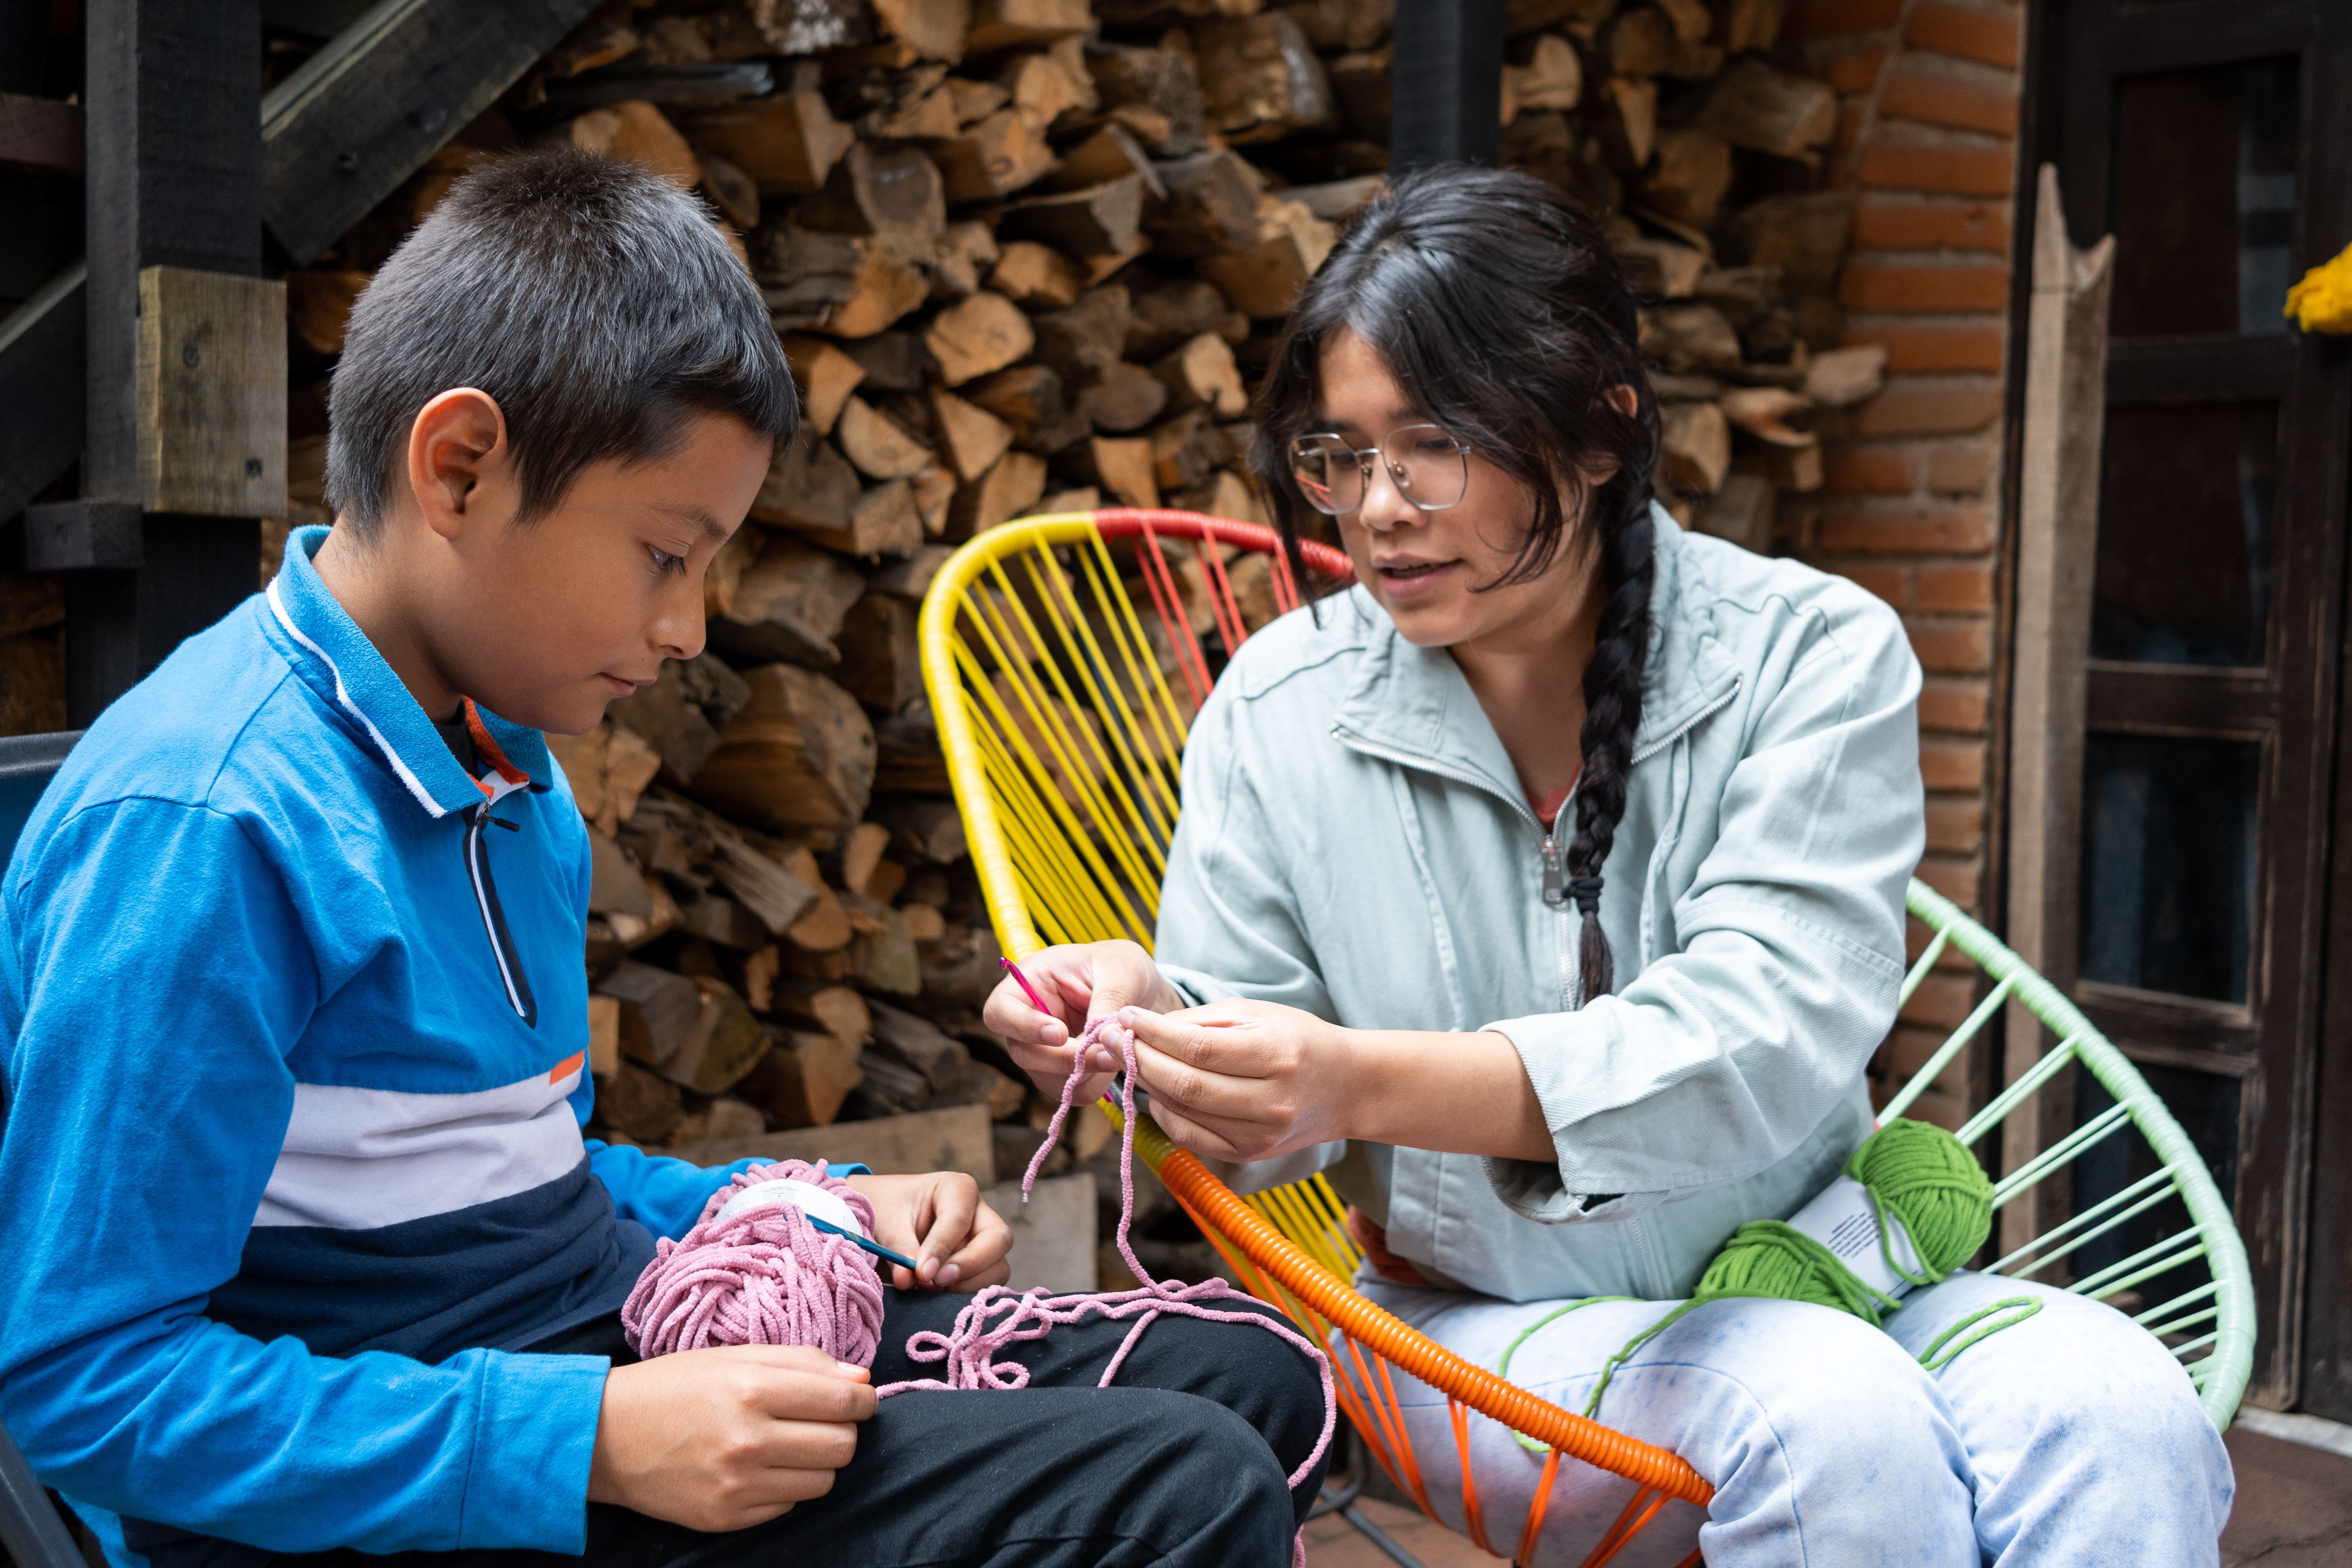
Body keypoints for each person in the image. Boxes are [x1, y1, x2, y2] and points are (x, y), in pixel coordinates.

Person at [0, 149, 1326, 1568]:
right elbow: (92, 1384)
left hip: (585, 1356)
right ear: (460, 468)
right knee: (1178, 1489)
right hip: (434, 1491)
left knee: (1252, 1375)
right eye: (664, 554)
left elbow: (515, 1186)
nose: (690, 626)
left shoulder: (499, 764)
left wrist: (797, 1204)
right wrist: (595, 1442)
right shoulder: (210, 829)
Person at [985, 166, 2234, 1565]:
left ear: (1598, 433)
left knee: (2123, 1412)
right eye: (1339, 456)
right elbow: (1276, 1108)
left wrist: (1355, 1070)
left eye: (1433, 446)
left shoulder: (1812, 654)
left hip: (1826, 1270)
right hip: (1478, 1332)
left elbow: (1762, 1037)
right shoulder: (1281, 709)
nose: (1377, 506)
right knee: (1828, 1423)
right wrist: (1145, 1014)